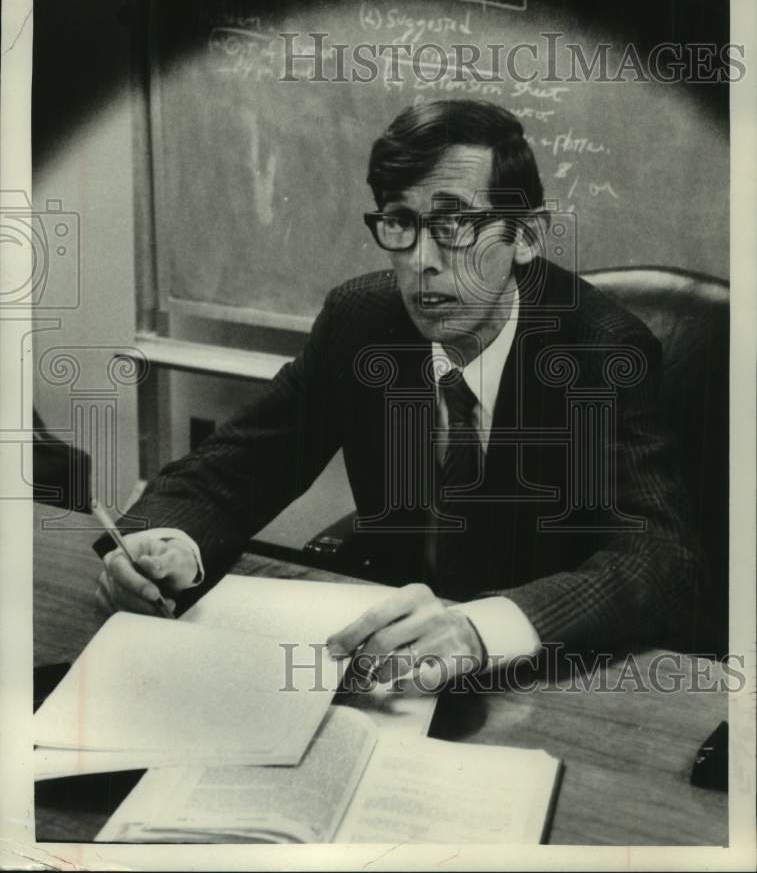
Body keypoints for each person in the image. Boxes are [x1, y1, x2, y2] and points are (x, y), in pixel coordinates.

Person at [95, 99, 701, 687]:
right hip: (383, 663)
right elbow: (233, 469)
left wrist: (479, 630)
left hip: (546, 676)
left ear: (525, 235)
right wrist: (164, 543)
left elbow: (659, 559)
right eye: (401, 223)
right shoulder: (361, 322)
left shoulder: (599, 351)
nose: (421, 261)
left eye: (455, 225)